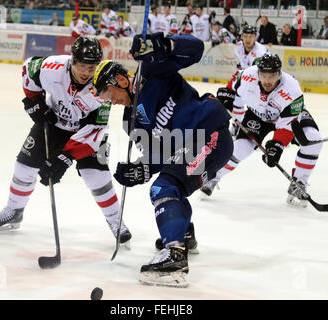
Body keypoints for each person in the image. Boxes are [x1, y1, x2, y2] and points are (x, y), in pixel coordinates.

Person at [93, 32, 233, 287]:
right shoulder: (129, 120)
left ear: (122, 79)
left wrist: (166, 44)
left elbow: (196, 50)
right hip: (191, 147)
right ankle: (183, 235)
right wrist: (139, 170)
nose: (110, 101)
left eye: (108, 92)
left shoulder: (152, 69)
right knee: (170, 186)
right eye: (105, 97)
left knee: (163, 188)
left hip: (209, 131)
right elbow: (159, 155)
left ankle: (175, 258)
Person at [0, 36, 132, 245]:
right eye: (82, 66)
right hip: (54, 123)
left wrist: (64, 159)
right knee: (24, 166)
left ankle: (116, 222)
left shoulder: (103, 85)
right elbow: (28, 69)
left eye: (91, 68)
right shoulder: (52, 67)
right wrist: (34, 102)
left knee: (96, 175)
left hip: (89, 133)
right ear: (72, 60)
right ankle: (14, 210)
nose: (86, 73)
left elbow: (95, 129)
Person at [200, 54, 323, 208]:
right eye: (263, 75)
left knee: (313, 140)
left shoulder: (292, 89)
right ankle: (213, 176)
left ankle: (299, 182)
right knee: (240, 149)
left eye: (272, 76)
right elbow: (233, 87)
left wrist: (276, 147)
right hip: (257, 115)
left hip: (287, 116)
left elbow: (287, 125)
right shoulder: (246, 76)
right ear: (257, 73)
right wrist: (228, 96)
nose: (267, 80)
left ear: (279, 73)